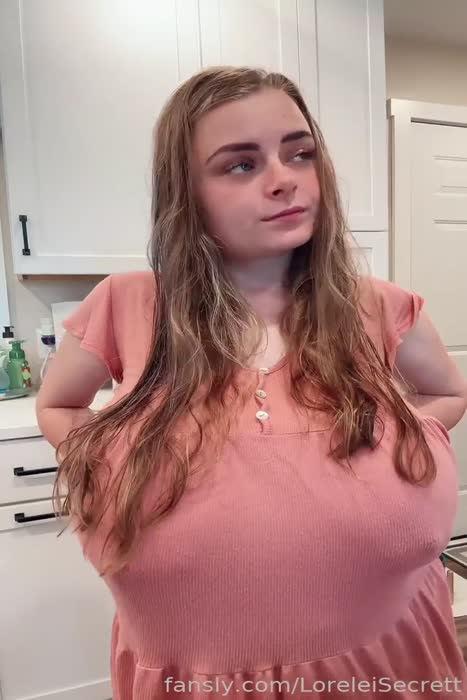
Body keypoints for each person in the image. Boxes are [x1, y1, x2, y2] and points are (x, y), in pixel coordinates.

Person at [36, 67, 467, 699]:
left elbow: (449, 393)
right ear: (187, 193)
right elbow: (58, 403)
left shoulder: (377, 307)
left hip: (392, 669)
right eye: (240, 165)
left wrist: (404, 433)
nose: (284, 179)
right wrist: (100, 456)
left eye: (300, 154)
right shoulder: (129, 304)